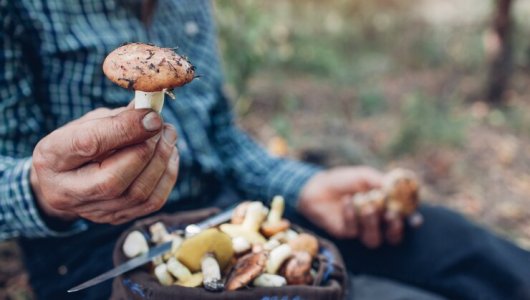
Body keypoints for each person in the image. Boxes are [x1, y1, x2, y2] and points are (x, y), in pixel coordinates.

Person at [1, 1, 529, 299]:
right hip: (95, 249)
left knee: (449, 239)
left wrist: (306, 184)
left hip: (237, 209)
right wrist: (40, 188)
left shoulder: (185, 6)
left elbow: (223, 137)